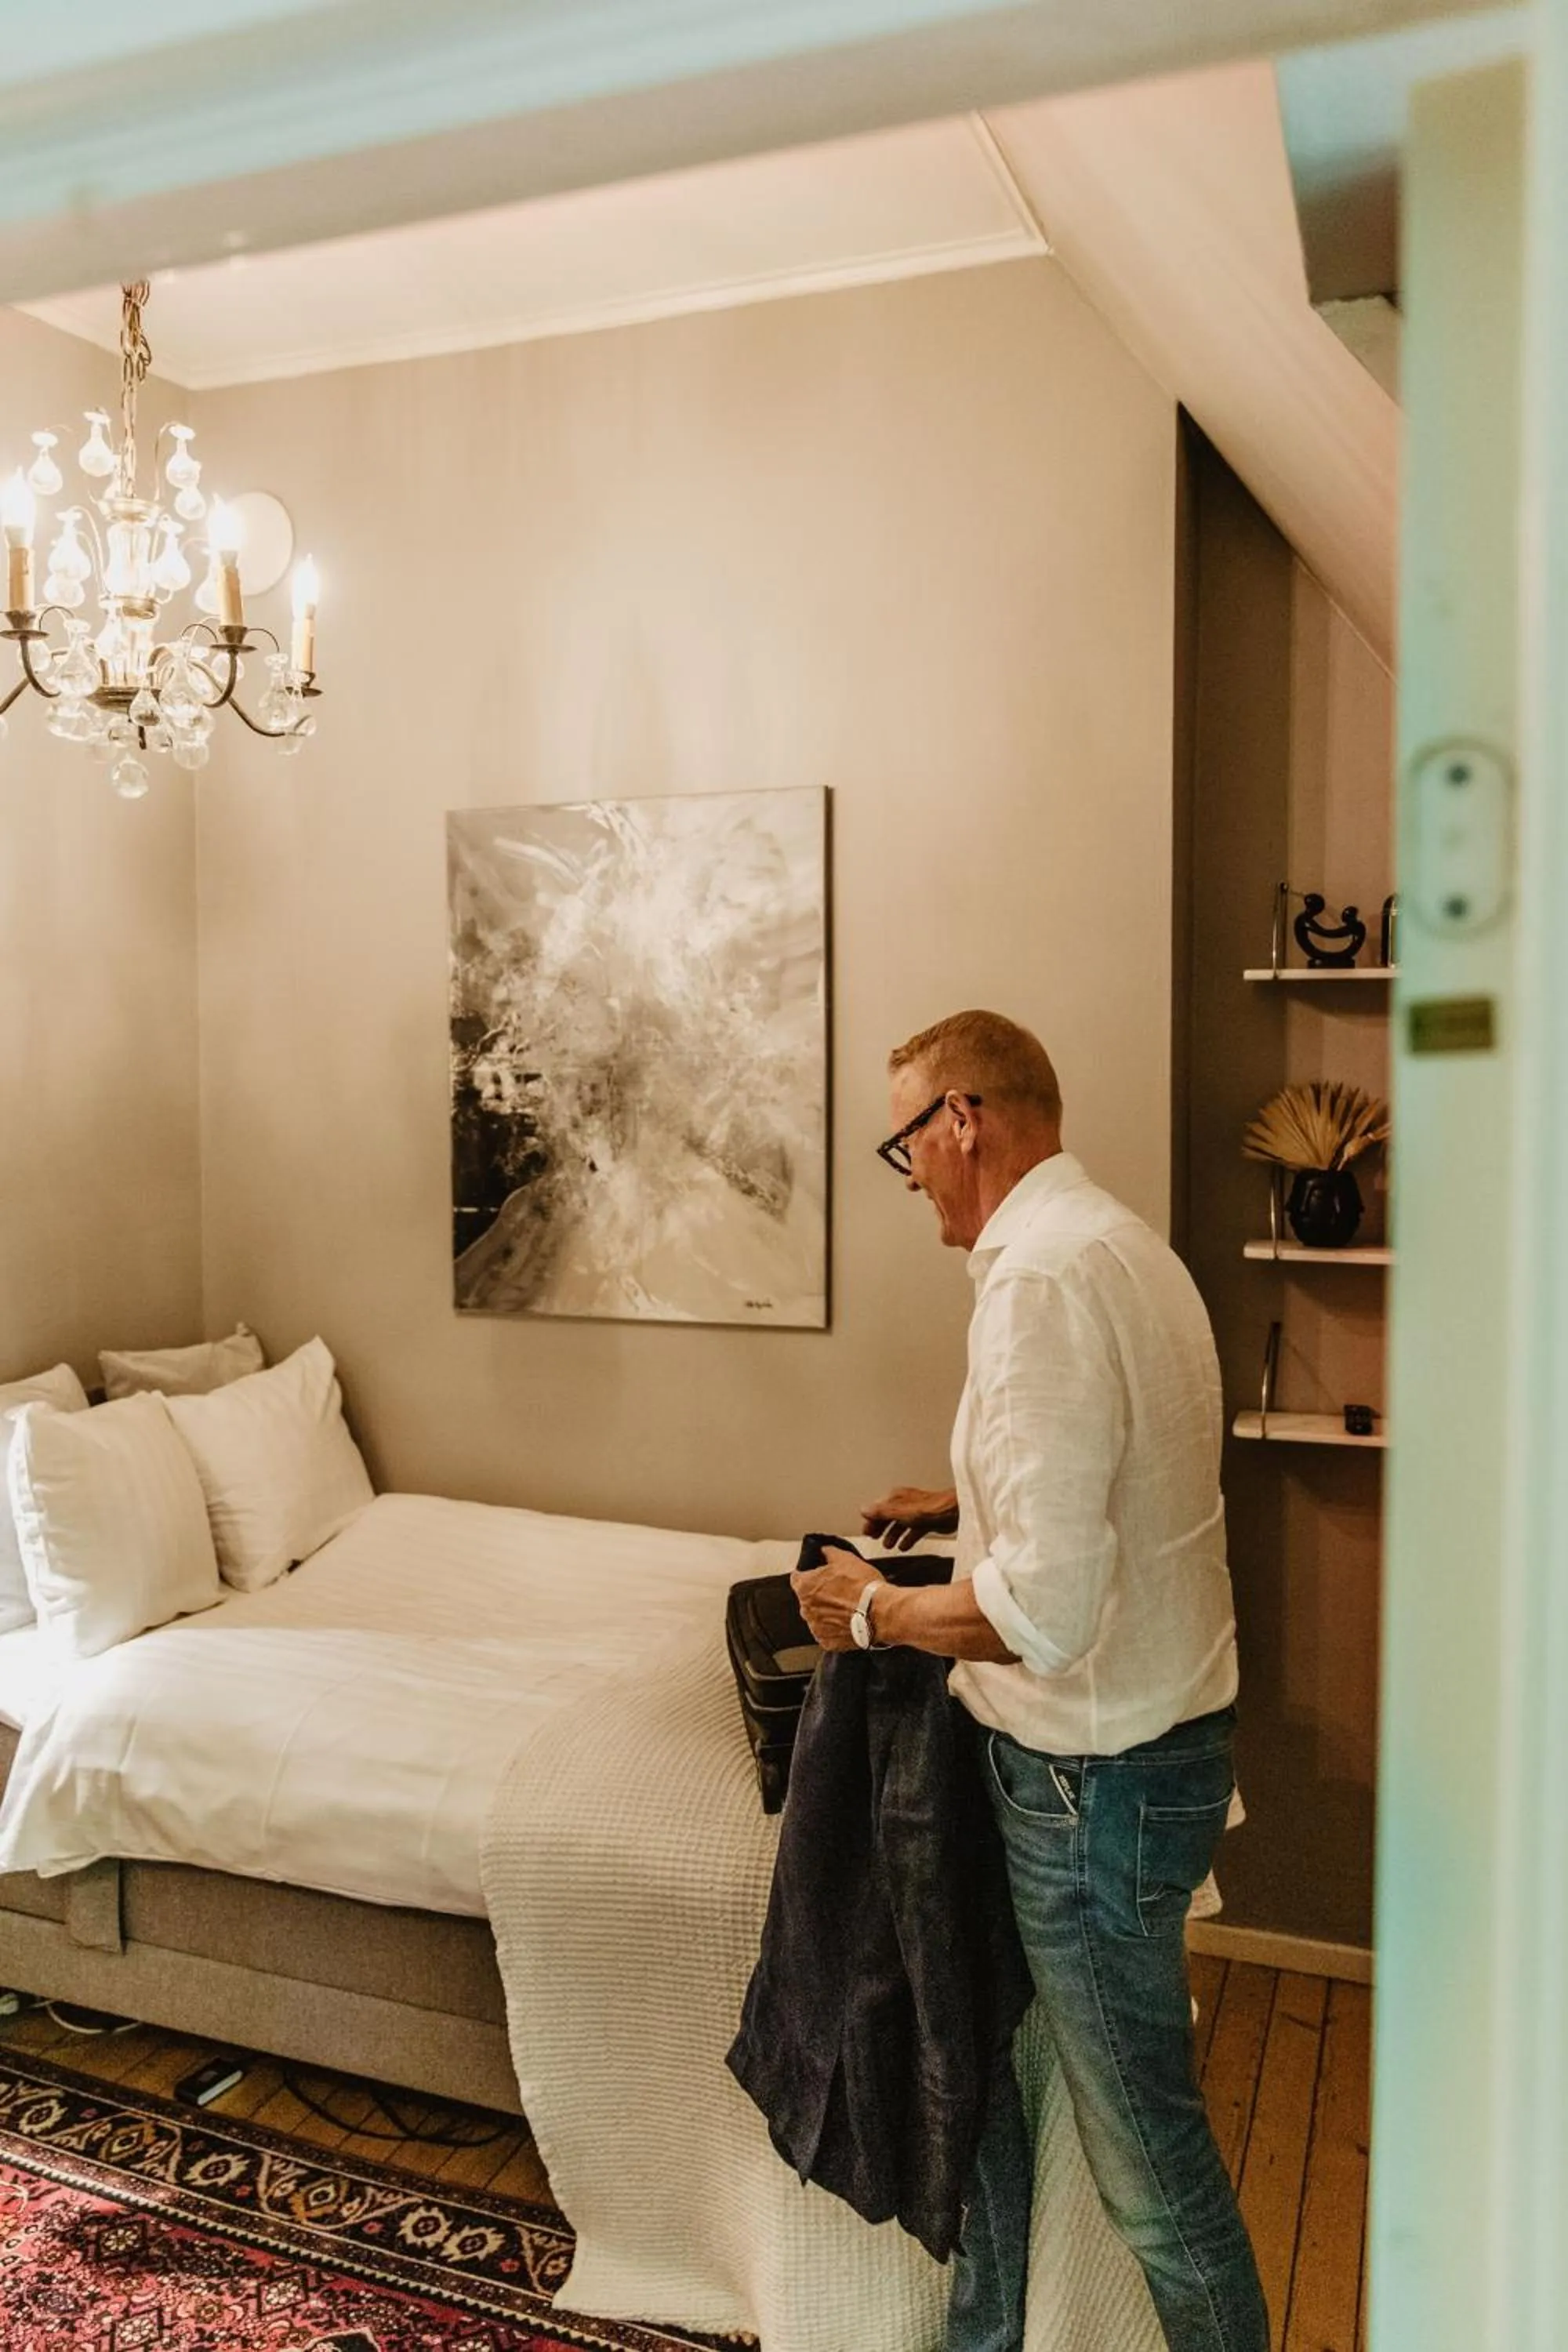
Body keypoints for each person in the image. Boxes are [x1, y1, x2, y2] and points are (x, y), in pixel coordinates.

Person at [792, 1009, 1268, 2352]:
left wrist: (871, 1613)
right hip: (1155, 1744)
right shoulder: (1118, 1245)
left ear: (964, 1120)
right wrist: (973, 1497)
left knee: (1153, 2174)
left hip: (1089, 1786)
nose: (909, 1179)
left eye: (906, 1143)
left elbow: (1044, 1620)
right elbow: (1130, 1467)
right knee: (985, 2075)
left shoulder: (1039, 1285)